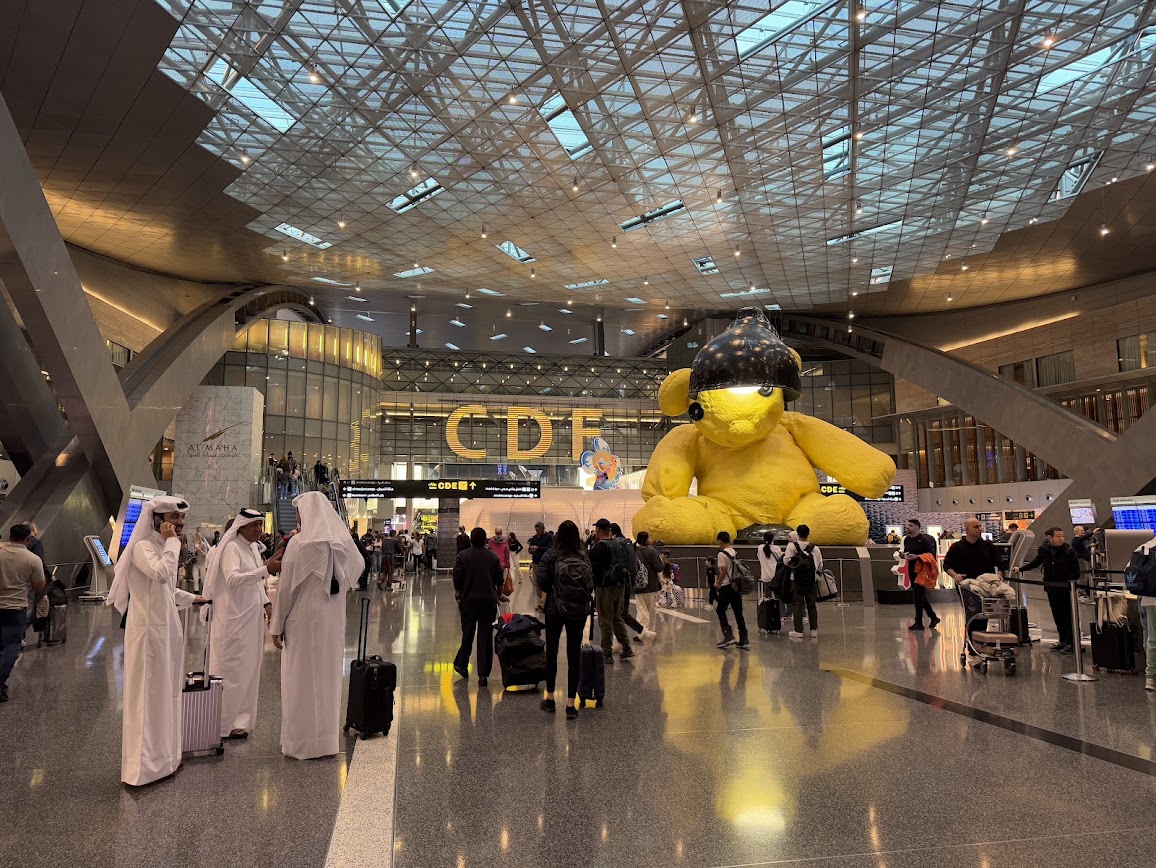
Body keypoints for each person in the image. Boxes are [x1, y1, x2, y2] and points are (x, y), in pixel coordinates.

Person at [106, 496, 206, 786]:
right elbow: (160, 574)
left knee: (167, 693)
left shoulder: (163, 546)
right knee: (147, 697)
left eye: (182, 518)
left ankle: (166, 759)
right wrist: (173, 543)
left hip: (166, 631)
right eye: (174, 518)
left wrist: (193, 598)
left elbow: (167, 590)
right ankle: (142, 769)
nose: (180, 523)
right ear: (158, 520)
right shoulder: (143, 547)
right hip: (149, 634)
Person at [269, 491, 363, 759]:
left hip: (302, 621)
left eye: (298, 510)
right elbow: (358, 568)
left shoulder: (299, 543)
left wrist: (276, 625)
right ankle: (325, 742)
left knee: (300, 679)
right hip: (331, 621)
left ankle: (301, 743)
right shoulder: (340, 544)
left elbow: (285, 589)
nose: (297, 516)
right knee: (327, 677)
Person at [202, 508, 282, 739]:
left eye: (260, 524)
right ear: (241, 527)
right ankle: (222, 724)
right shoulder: (231, 548)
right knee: (230, 670)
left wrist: (266, 604)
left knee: (248, 669)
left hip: (251, 619)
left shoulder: (252, 548)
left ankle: (240, 722)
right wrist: (266, 569)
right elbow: (233, 579)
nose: (259, 529)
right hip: (232, 620)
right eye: (254, 525)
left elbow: (256, 584)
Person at [536, 520, 591, 720]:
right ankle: (570, 704)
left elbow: (542, 583)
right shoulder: (583, 556)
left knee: (551, 652)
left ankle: (550, 699)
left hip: (555, 609)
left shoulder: (551, 555)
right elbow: (590, 583)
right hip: (578, 610)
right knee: (573, 654)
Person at [0, 523, 47, 702]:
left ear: (10, 536)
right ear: (28, 539)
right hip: (15, 607)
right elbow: (39, 586)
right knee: (11, 645)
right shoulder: (33, 559)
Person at [452, 527, 503, 685]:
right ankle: (483, 674)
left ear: (471, 540)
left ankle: (461, 664)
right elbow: (499, 579)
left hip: (468, 601)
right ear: (485, 540)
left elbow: (457, 576)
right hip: (488, 601)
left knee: (468, 633)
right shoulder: (492, 557)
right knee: (485, 636)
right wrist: (498, 595)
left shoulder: (462, 556)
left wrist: (458, 592)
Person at [1018, 527, 1081, 653]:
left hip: (1065, 589)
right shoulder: (1045, 550)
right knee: (1057, 615)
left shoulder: (1069, 551)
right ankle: (1063, 640)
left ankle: (1072, 642)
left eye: (1062, 536)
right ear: (1050, 537)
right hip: (1051, 588)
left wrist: (1068, 582)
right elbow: (1036, 562)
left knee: (1068, 616)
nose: (1061, 539)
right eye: (1058, 536)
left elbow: (1076, 572)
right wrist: (1021, 569)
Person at [589, 518, 633, 663]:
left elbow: (593, 571)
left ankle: (606, 653)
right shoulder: (618, 544)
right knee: (617, 617)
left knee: (605, 620)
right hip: (620, 586)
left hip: (604, 587)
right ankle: (627, 647)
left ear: (598, 530)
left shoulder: (598, 548)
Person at [784, 526, 823, 638]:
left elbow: (786, 562)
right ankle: (813, 630)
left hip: (796, 580)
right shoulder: (815, 548)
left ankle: (798, 630)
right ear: (808, 534)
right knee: (812, 605)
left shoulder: (792, 546)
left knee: (797, 605)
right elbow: (820, 565)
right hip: (811, 581)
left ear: (798, 534)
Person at [714, 531, 749, 650]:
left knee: (720, 610)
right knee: (738, 612)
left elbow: (723, 570)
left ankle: (728, 635)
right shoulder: (734, 552)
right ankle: (744, 639)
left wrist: (718, 583)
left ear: (720, 541)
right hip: (736, 586)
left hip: (727, 586)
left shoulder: (721, 554)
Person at [903, 518, 940, 631]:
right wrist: (904, 555)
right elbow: (907, 551)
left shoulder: (924, 540)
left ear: (917, 527)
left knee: (918, 596)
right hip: (911, 569)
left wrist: (918, 557)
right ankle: (933, 617)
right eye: (907, 525)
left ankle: (919, 622)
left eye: (910, 525)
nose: (907, 527)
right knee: (919, 595)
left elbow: (931, 555)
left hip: (922, 570)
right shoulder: (907, 539)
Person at [633, 531, 662, 639]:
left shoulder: (633, 550)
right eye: (649, 538)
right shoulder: (652, 551)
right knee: (651, 610)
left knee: (641, 610)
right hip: (651, 585)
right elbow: (659, 567)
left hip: (638, 586)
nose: (651, 539)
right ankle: (650, 631)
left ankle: (641, 632)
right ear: (644, 540)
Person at [528, 521, 554, 612]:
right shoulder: (534, 538)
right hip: (535, 562)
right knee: (536, 583)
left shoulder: (549, 537)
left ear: (543, 529)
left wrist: (538, 548)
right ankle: (542, 601)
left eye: (539, 530)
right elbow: (529, 549)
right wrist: (531, 550)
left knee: (544, 582)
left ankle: (543, 603)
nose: (537, 532)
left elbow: (550, 548)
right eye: (536, 530)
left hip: (545, 563)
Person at [487, 529, 511, 598]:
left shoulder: (491, 541)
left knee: (493, 580)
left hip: (492, 563)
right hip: (502, 564)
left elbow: (489, 552)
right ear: (501, 533)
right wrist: (508, 565)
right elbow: (507, 554)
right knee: (500, 580)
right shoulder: (505, 542)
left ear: (495, 532)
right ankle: (499, 595)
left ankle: (493, 594)